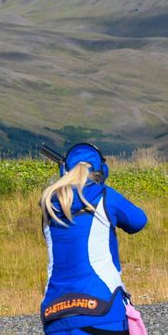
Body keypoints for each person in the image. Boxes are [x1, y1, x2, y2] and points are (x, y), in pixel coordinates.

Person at [40, 143, 148, 335]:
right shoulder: (105, 197)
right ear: (102, 170)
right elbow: (138, 221)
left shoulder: (49, 206)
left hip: (55, 312)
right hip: (103, 307)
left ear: (63, 170)